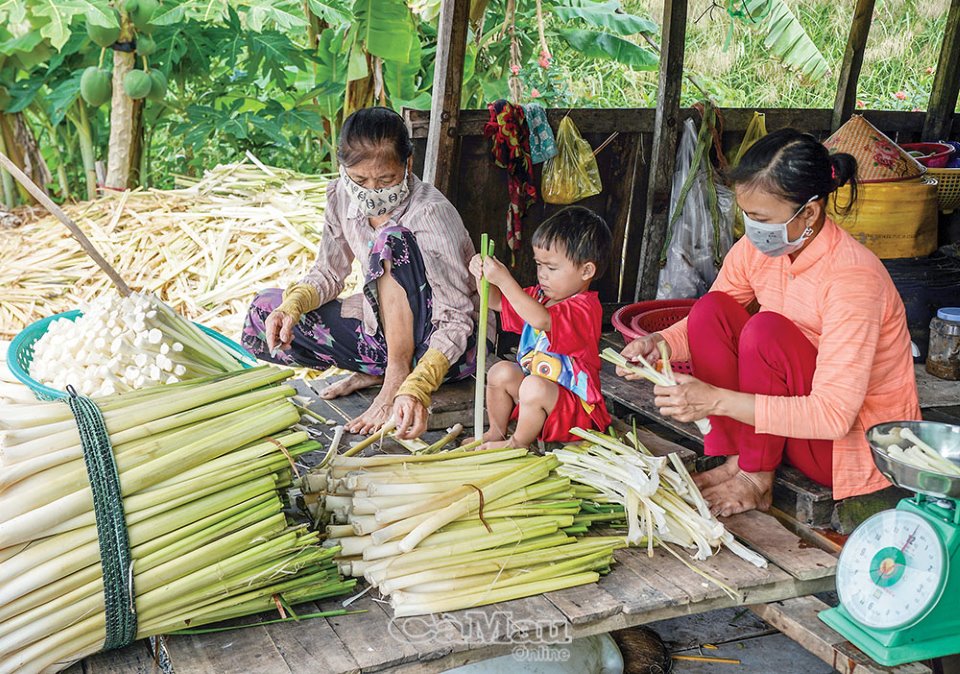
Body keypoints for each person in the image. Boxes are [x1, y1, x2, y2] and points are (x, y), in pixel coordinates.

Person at [618, 129, 921, 517]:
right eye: (747, 214)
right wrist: (657, 344)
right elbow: (708, 322)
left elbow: (833, 414)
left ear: (809, 212)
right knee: (713, 307)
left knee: (766, 330)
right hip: (784, 428)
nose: (751, 228)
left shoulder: (852, 278)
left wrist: (715, 400)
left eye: (761, 218)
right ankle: (739, 461)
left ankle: (756, 476)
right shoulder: (758, 251)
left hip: (839, 446)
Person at [242, 107, 477, 439]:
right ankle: (385, 368)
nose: (372, 191)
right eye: (360, 180)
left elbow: (457, 317)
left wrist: (419, 384)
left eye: (386, 180)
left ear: (408, 164)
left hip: (446, 351)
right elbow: (328, 272)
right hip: (384, 337)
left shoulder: (431, 214)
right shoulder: (341, 195)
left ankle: (396, 375)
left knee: (390, 240)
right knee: (264, 314)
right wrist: (292, 306)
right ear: (343, 170)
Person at [472, 206, 612, 449]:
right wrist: (482, 275)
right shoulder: (538, 297)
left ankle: (517, 443)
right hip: (536, 397)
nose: (542, 275)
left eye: (552, 268)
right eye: (539, 265)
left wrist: (505, 279)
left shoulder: (584, 309)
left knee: (533, 386)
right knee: (500, 372)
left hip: (575, 412)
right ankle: (496, 431)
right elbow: (495, 301)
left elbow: (542, 320)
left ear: (586, 270)